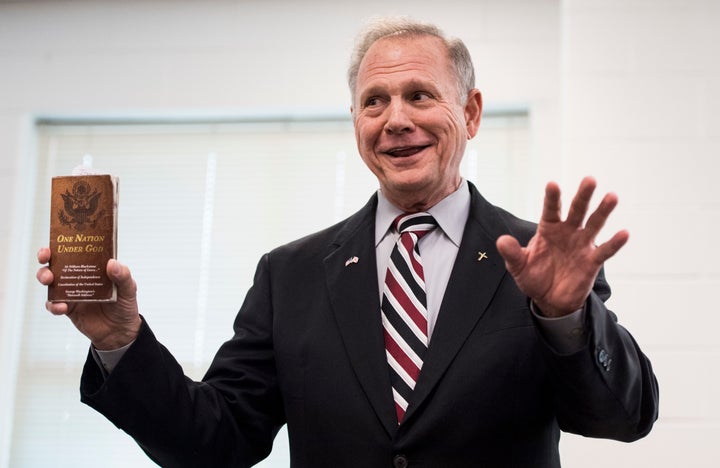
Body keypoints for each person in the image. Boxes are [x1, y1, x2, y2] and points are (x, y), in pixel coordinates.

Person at [36, 17, 658, 468]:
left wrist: (564, 317)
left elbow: (621, 419)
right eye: (374, 102)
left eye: (419, 95)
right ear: (357, 124)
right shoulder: (291, 275)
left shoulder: (540, 261)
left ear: (469, 113)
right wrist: (120, 341)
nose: (396, 120)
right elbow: (217, 440)